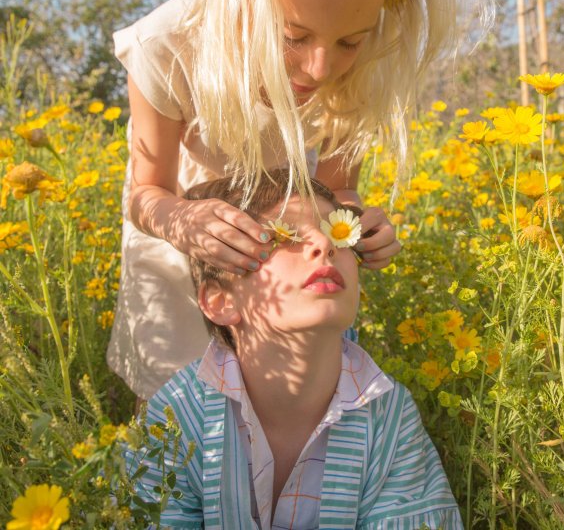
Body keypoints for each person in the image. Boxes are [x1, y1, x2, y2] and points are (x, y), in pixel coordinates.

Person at [107, 0, 457, 400]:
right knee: (174, 394)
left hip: (289, 250)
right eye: (293, 36)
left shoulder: (359, 72)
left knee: (288, 391)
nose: (320, 68)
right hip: (176, 232)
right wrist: (185, 222)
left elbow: (338, 187)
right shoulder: (168, 46)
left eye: (349, 40)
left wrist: (354, 220)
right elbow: (146, 192)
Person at [126, 170, 464, 529]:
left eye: (338, 232)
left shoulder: (389, 415)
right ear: (220, 300)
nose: (325, 242)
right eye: (284, 235)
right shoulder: (177, 416)